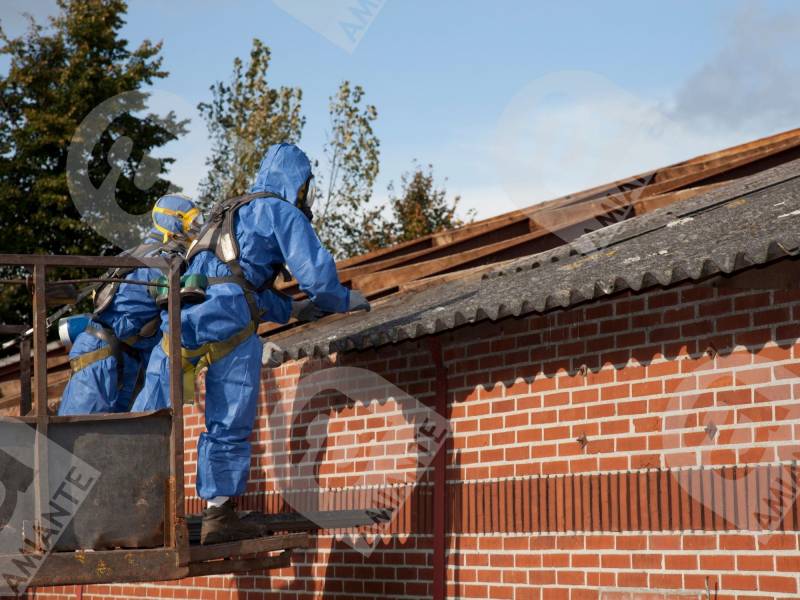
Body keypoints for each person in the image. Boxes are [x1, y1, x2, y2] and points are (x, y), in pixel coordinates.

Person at [131, 143, 370, 544]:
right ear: (298, 183)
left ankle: (130, 505)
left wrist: (291, 311)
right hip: (231, 323)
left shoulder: (229, 213)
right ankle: (219, 514)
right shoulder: (281, 211)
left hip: (181, 320)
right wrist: (341, 300)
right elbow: (316, 278)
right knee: (229, 418)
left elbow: (235, 280)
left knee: (148, 418)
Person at [57, 194, 201, 415]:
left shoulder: (139, 253)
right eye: (192, 222)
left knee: (116, 440)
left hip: (122, 357)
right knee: (80, 437)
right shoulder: (164, 262)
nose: (195, 230)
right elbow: (189, 311)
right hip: (102, 354)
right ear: (174, 222)